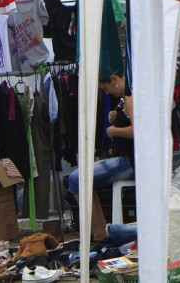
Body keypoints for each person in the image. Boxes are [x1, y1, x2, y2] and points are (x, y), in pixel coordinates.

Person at [66, 70, 134, 239]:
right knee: (78, 179)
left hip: (130, 161)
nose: (106, 93)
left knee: (76, 179)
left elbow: (137, 130)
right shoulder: (125, 98)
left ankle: (99, 235)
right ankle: (101, 233)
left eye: (105, 88)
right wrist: (116, 117)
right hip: (128, 158)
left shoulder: (130, 97)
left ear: (114, 80)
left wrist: (114, 130)